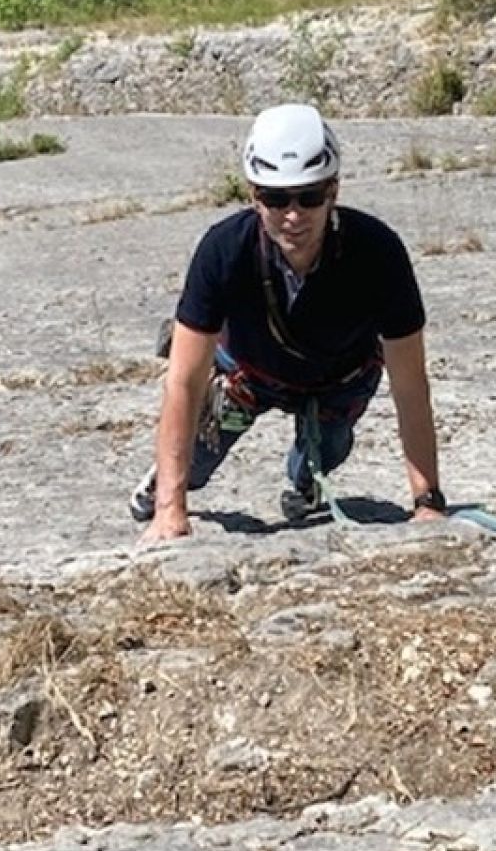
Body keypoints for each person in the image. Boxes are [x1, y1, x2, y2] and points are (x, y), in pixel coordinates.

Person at [130, 102, 448, 542]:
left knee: (326, 450)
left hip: (340, 379)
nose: (293, 215)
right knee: (201, 457)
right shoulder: (223, 250)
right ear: (253, 196)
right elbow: (183, 380)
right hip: (248, 373)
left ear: (333, 191)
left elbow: (410, 385)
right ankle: (167, 478)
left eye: (309, 197)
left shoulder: (378, 252)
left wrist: (428, 502)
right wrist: (171, 509)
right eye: (276, 199)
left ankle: (306, 478)